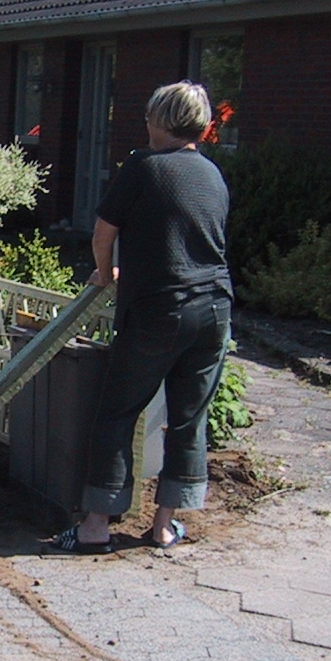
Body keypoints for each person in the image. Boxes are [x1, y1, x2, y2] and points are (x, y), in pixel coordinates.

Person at [51, 80, 232, 554]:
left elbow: (104, 229)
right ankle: (164, 527)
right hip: (214, 307)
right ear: (203, 126)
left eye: (149, 116)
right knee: (188, 417)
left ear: (159, 122)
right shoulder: (212, 174)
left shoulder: (143, 166)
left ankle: (95, 527)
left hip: (159, 309)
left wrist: (104, 269)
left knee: (118, 411)